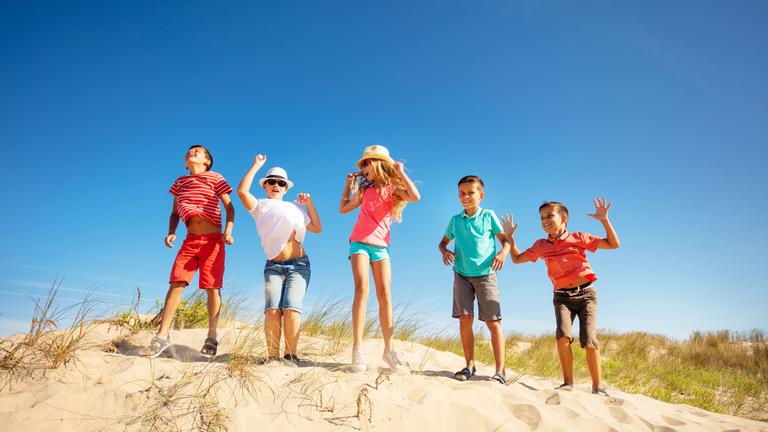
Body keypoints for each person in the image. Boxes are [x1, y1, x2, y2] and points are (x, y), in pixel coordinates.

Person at [501, 198, 620, 395]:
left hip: (586, 294)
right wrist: (510, 239)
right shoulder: (541, 245)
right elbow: (516, 259)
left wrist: (604, 220)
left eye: (549, 215)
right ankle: (568, 383)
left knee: (589, 339)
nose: (545, 220)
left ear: (564, 218)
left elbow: (613, 244)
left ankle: (597, 387)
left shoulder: (579, 237)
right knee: (563, 337)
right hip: (562, 297)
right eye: (541, 218)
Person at [148, 145, 235, 358]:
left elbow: (230, 207)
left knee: (212, 287)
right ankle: (162, 335)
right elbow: (175, 213)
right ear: (186, 162)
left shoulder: (215, 178)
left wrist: (228, 230)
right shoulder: (180, 182)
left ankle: (212, 336)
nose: (192, 152)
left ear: (207, 161)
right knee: (176, 282)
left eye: (198, 151)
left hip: (213, 240)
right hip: (189, 241)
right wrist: (171, 232)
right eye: (190, 151)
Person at [339, 145, 420, 372]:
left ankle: (389, 351)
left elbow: (415, 196)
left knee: (385, 294)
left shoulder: (392, 189)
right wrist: (348, 184)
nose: (363, 167)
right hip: (359, 243)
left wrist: (401, 171)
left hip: (381, 247)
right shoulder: (364, 191)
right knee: (361, 289)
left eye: (367, 163)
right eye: (362, 164)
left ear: (378, 164)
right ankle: (357, 351)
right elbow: (343, 208)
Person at [237, 154, 322, 366]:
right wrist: (256, 166)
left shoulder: (296, 209)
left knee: (292, 308)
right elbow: (241, 192)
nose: (276, 185)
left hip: (299, 265)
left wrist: (309, 204)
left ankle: (291, 356)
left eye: (281, 183)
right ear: (265, 186)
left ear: (286, 188)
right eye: (272, 182)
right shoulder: (261, 205)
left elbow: (317, 228)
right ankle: (273, 357)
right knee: (273, 310)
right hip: (273, 267)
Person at [438, 175, 510, 384]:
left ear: (481, 195)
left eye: (471, 192)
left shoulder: (488, 216)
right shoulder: (455, 220)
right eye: (462, 193)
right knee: (464, 319)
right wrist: (444, 251)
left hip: (486, 275)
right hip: (461, 274)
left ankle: (500, 371)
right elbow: (442, 243)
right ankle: (470, 365)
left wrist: (502, 253)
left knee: (492, 321)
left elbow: (505, 241)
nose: (466, 196)